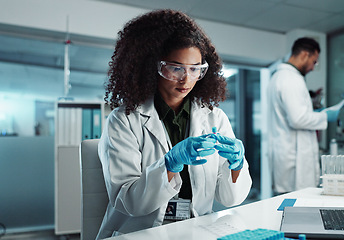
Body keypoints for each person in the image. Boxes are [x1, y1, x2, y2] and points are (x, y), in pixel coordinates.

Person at [97, 9, 252, 238]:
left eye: (195, 69)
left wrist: (237, 165)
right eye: (176, 68)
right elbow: (129, 202)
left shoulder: (214, 118)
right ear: (153, 66)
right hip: (141, 232)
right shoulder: (124, 120)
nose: (186, 79)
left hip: (196, 229)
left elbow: (229, 199)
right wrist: (169, 164)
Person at [267, 37, 339, 195]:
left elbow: (295, 113)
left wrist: (314, 110)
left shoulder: (279, 77)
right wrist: (325, 116)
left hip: (286, 155)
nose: (313, 68)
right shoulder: (291, 79)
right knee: (296, 209)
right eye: (314, 62)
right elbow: (298, 119)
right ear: (305, 55)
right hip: (294, 162)